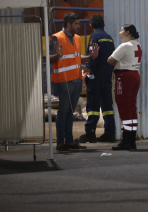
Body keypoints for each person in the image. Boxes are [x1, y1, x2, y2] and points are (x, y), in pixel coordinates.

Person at [50, 13, 99, 152]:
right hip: (64, 80)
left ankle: (69, 141)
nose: (79, 26)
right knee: (64, 111)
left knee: (70, 111)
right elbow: (49, 57)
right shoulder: (56, 37)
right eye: (76, 24)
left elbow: (77, 58)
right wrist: (57, 56)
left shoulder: (77, 38)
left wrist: (90, 57)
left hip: (76, 80)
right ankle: (61, 142)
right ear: (68, 25)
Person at [78, 14, 116, 143]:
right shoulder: (109, 38)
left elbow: (93, 55)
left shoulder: (94, 37)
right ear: (103, 25)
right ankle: (110, 133)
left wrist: (90, 70)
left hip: (96, 75)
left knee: (93, 105)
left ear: (91, 25)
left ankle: (90, 133)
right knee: (107, 105)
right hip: (107, 75)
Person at [107, 24, 142, 150]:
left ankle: (126, 141)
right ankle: (131, 140)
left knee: (123, 106)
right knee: (131, 106)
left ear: (127, 32)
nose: (119, 33)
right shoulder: (137, 45)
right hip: (134, 76)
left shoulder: (125, 46)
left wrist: (115, 61)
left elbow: (110, 60)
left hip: (124, 77)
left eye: (121, 30)